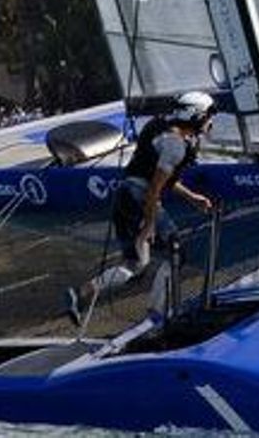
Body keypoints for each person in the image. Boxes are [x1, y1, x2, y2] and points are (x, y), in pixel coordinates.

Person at [65, 91, 216, 326]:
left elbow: (160, 175)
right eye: (208, 116)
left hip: (125, 194)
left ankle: (80, 294)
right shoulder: (177, 146)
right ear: (195, 117)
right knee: (176, 251)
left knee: (135, 264)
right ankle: (156, 314)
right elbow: (155, 187)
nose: (211, 121)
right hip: (140, 197)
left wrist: (192, 197)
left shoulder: (157, 126)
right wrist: (149, 224)